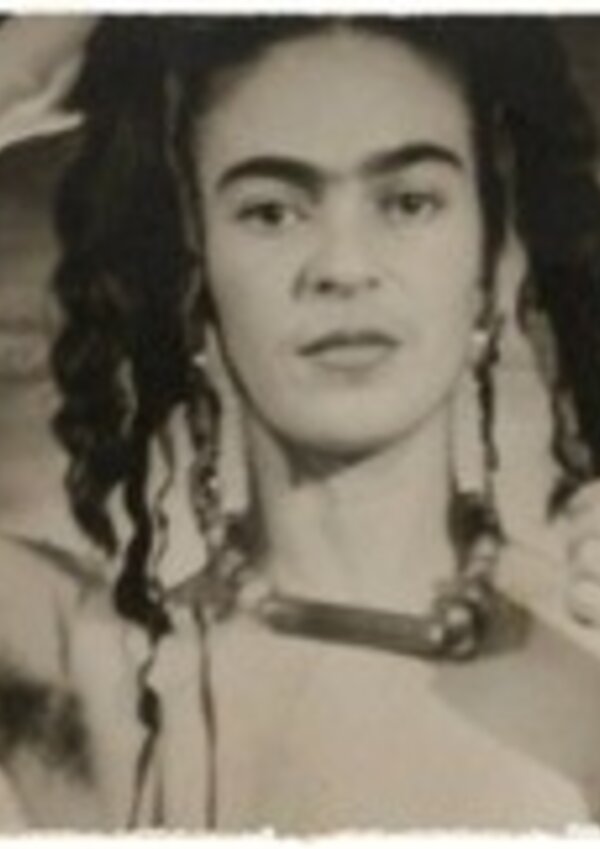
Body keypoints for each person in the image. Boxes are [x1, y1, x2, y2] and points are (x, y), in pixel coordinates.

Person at [3, 13, 600, 831]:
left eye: (409, 202)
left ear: (486, 256)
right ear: (196, 269)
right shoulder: (103, 674)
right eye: (271, 212)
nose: (343, 267)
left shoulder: (587, 667)